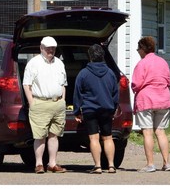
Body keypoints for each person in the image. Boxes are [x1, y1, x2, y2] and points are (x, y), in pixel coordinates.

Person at [23, 36, 67, 174]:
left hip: (57, 104)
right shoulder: (33, 63)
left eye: (53, 48)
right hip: (40, 103)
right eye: (48, 48)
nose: (50, 50)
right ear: (41, 48)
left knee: (54, 135)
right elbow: (26, 84)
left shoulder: (59, 63)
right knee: (39, 136)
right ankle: (39, 164)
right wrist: (32, 103)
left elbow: (63, 84)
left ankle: (52, 164)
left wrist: (62, 100)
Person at [73, 44, 119, 174]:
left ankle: (98, 166)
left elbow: (77, 93)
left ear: (90, 57)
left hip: (90, 110)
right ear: (103, 56)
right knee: (108, 137)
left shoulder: (84, 73)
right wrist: (114, 107)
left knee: (94, 138)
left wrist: (77, 111)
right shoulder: (110, 73)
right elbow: (115, 93)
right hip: (107, 109)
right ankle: (111, 166)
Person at [132, 36, 170, 173]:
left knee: (147, 132)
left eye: (138, 48)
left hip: (146, 100)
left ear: (143, 49)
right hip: (163, 99)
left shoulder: (142, 64)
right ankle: (166, 163)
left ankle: (150, 164)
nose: (138, 51)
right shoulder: (163, 62)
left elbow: (136, 84)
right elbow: (168, 81)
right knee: (161, 132)